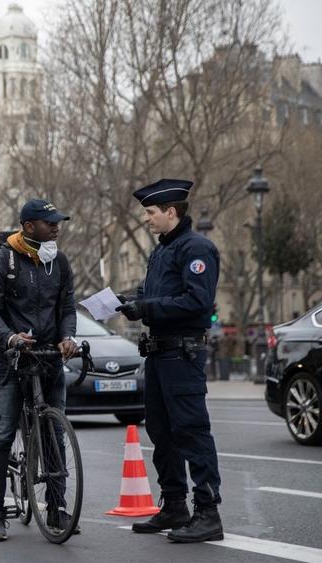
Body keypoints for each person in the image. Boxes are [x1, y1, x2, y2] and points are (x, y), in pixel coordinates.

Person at [115, 178, 223, 543]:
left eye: (150, 212)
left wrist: (146, 306)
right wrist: (128, 300)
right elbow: (153, 294)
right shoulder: (161, 251)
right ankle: (175, 504)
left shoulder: (197, 249)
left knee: (191, 431)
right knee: (162, 434)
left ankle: (208, 512)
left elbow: (198, 302)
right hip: (160, 354)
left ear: (171, 212)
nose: (147, 219)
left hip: (183, 353)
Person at [0, 199, 77, 541]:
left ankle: (56, 508)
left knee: (54, 433)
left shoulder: (59, 262)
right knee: (2, 435)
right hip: (10, 360)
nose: (57, 227)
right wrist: (9, 337)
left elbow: (67, 307)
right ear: (29, 225)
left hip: (49, 358)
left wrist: (67, 336)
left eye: (58, 222)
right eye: (50, 222)